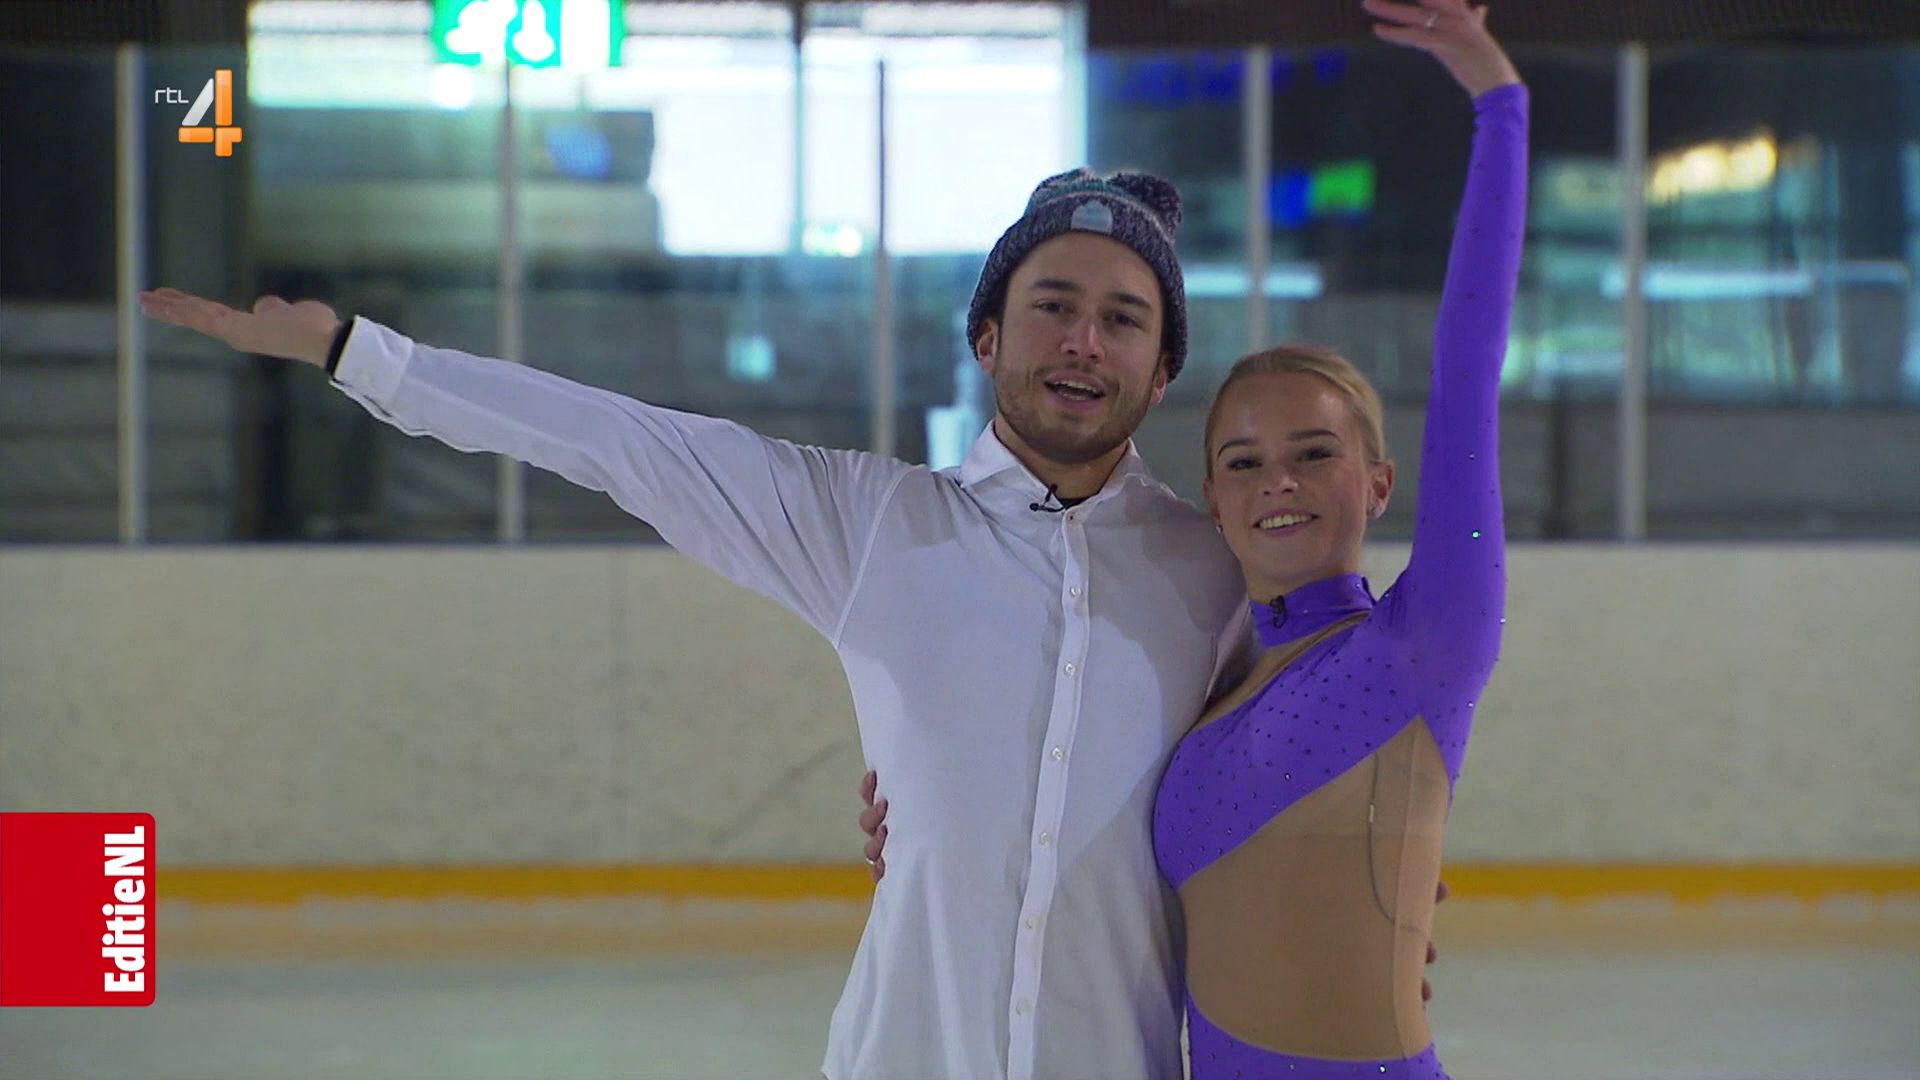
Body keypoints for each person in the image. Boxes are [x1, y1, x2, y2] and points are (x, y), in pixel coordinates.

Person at [142, 167, 1248, 1079]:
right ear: (989, 337)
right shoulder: (871, 524)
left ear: (1161, 374)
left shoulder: (1215, 574)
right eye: (1053, 305)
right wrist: (359, 353)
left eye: (1122, 319)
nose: (1083, 341)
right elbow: (617, 441)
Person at [1151, 2, 1526, 1076]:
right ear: (1213, 502)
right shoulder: (1203, 684)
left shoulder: (1422, 647)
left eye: (1314, 452)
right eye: (1243, 461)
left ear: (1378, 483)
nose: (1278, 480)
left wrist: (1497, 98)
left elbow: (1467, 368)